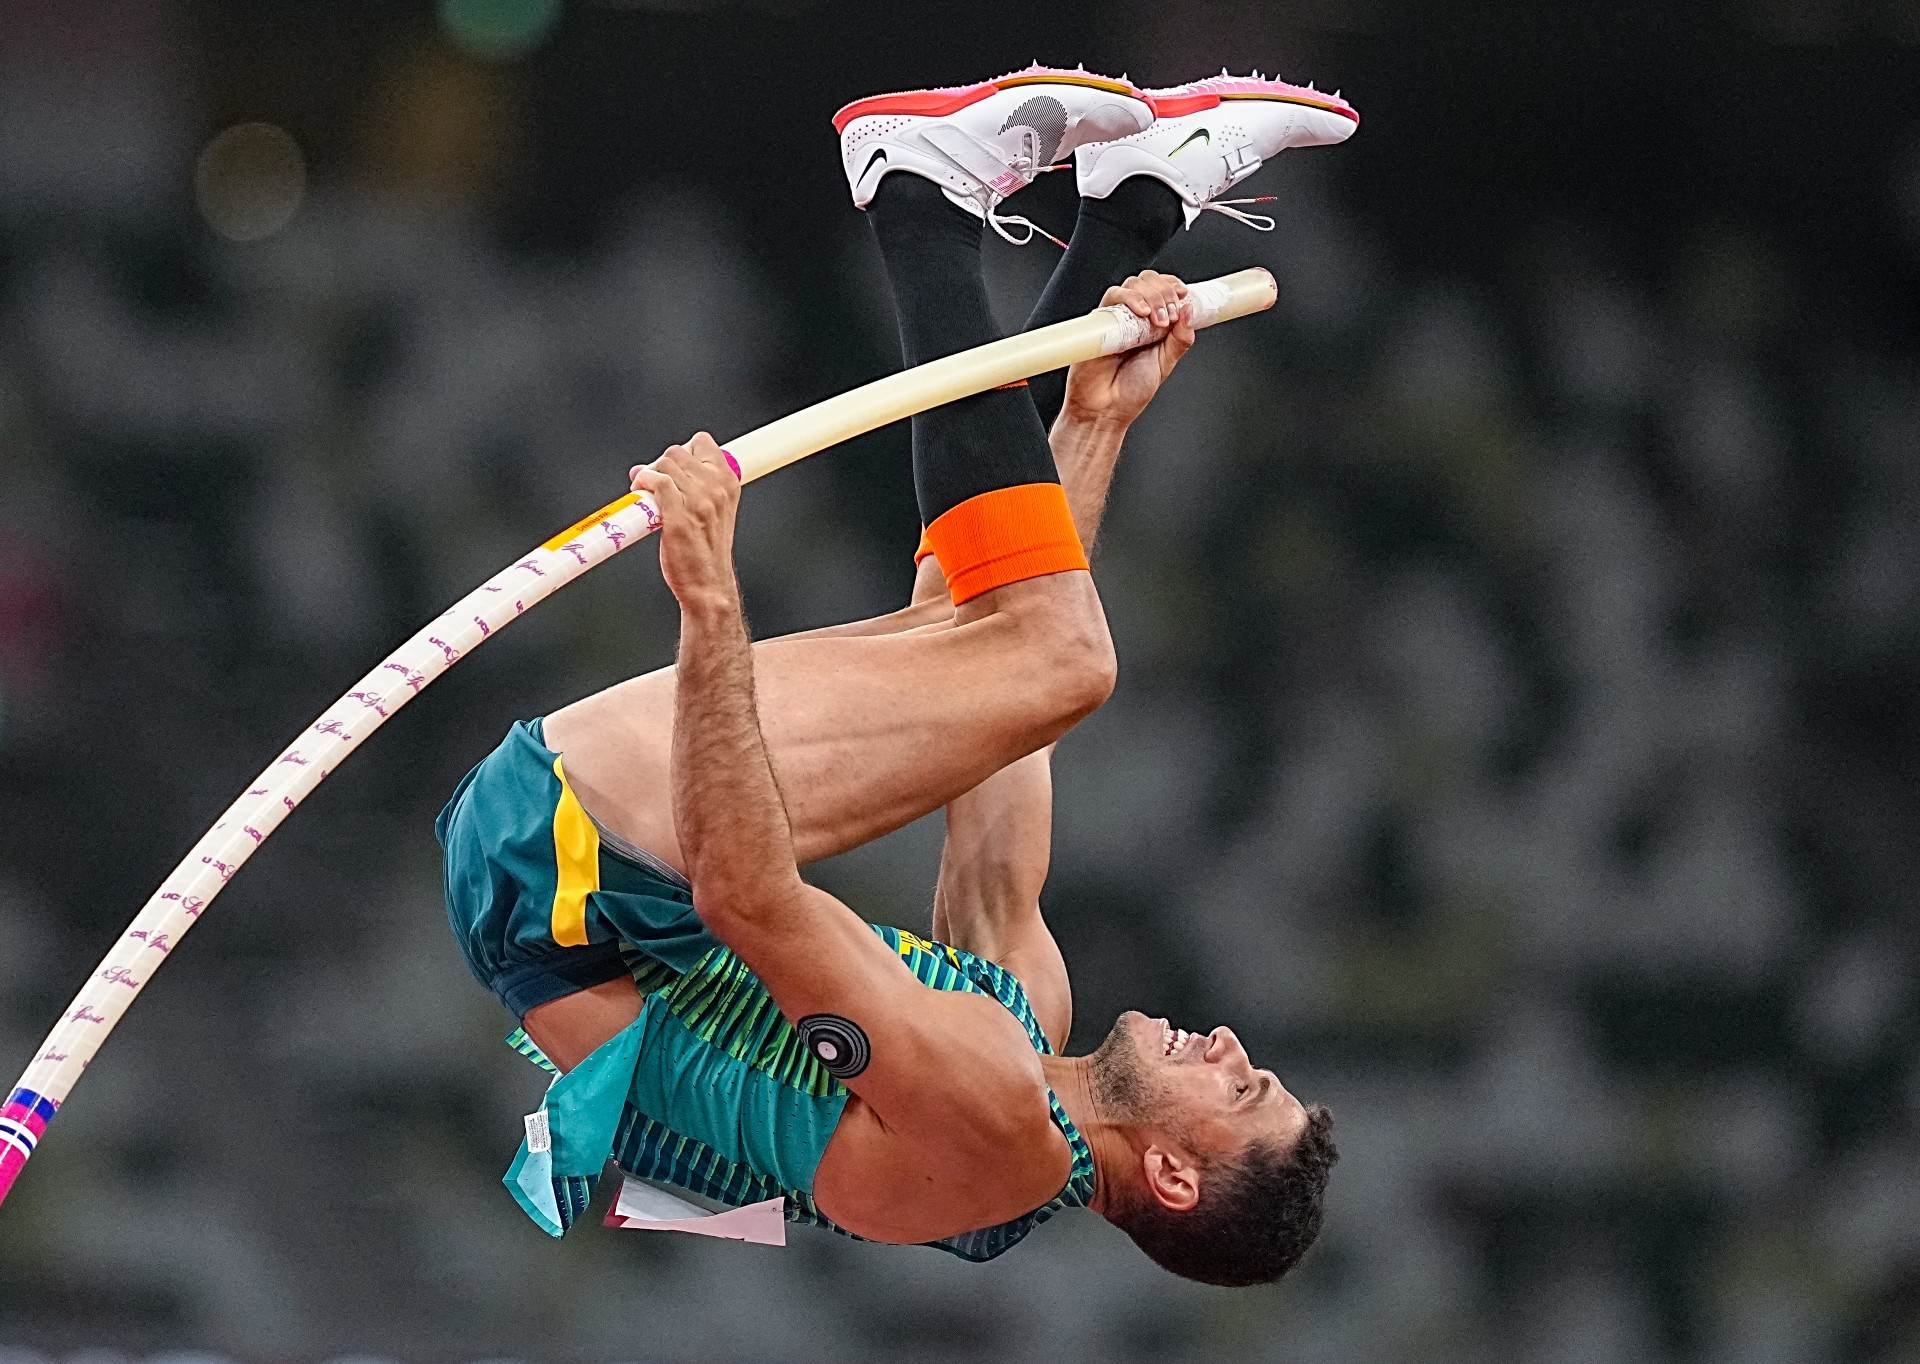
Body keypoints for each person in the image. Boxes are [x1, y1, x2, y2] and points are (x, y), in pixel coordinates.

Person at [438, 65, 1354, 1285]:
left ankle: (916, 196)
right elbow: (986, 653)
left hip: (570, 886)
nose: (1232, 1043)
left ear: (1177, 1174)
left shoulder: (992, 1132)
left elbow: (748, 899)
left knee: (1068, 657)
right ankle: (1130, 206)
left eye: (1240, 1085)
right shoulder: (1023, 1011)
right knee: (1012, 643)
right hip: (583, 880)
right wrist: (1092, 423)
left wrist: (709, 598)